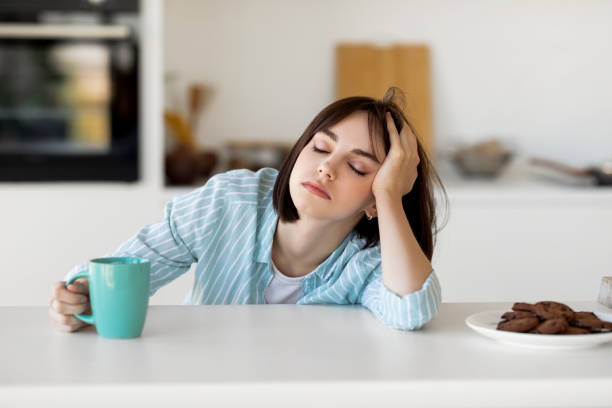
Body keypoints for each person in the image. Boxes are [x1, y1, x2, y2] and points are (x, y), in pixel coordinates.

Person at [49, 87, 447, 333]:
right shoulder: (230, 200)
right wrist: (81, 296)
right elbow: (125, 270)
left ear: (377, 196)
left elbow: (411, 309)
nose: (326, 167)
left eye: (358, 167)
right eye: (321, 147)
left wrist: (391, 197)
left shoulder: (370, 260)